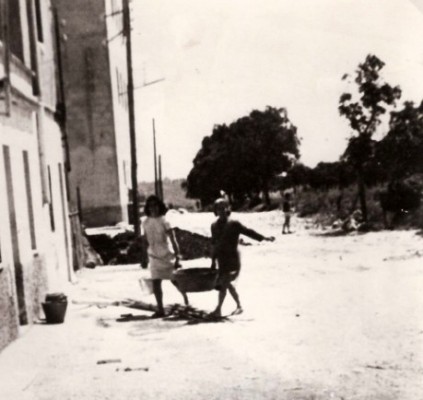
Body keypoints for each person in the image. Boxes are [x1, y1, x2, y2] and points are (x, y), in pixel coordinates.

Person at [210, 198, 275, 317]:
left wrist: (263, 238)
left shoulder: (234, 224)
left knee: (224, 283)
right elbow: (214, 244)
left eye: (224, 207)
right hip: (222, 260)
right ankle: (239, 306)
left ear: (228, 208)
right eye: (219, 208)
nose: (222, 210)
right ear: (215, 211)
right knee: (228, 284)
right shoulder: (214, 226)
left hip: (233, 259)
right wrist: (213, 261)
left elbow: (248, 232)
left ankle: (218, 309)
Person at [142, 195, 188, 317]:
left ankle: (185, 298)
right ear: (148, 208)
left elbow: (173, 239)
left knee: (175, 280)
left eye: (155, 205)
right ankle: (160, 309)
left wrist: (178, 257)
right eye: (150, 206)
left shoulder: (165, 221)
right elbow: (145, 240)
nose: (153, 208)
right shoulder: (145, 222)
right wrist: (144, 257)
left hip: (167, 255)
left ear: (160, 206)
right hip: (153, 255)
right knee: (156, 282)